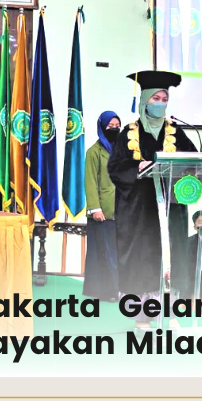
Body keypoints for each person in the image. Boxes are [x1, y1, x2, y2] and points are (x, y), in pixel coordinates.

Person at [107, 70, 198, 329]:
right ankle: (142, 316)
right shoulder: (128, 133)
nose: (161, 103)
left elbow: (192, 160)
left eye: (164, 99)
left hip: (170, 209)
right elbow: (115, 168)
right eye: (156, 98)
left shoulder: (176, 132)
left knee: (171, 256)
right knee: (142, 260)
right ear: (145, 100)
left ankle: (168, 312)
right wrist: (137, 167)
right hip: (139, 212)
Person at [83, 111, 122, 301]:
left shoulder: (123, 150)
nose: (114, 129)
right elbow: (90, 182)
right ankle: (106, 292)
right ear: (102, 127)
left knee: (118, 253)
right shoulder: (94, 152)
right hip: (103, 212)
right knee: (104, 254)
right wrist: (95, 208)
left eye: (117, 126)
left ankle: (119, 289)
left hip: (121, 211)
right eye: (110, 126)